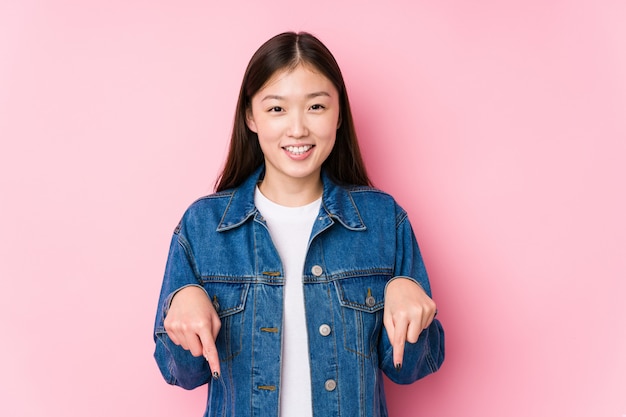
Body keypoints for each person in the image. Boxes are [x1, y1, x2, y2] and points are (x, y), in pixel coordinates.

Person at [153, 31, 444, 417]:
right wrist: (182, 303)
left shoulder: (382, 222)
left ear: (339, 114)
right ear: (250, 116)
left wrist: (408, 297)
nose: (297, 129)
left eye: (316, 107)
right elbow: (182, 374)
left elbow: (412, 369)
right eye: (276, 109)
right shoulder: (203, 228)